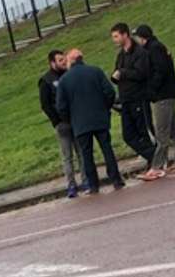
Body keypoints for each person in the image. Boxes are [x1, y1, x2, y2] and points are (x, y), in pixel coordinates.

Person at [55, 48, 122, 195]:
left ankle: (93, 184)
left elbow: (61, 106)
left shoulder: (64, 80)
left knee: (86, 154)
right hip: (99, 118)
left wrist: (71, 118)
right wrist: (105, 108)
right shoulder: (95, 71)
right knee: (107, 149)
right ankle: (116, 179)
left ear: (71, 61)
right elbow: (109, 92)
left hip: (79, 122)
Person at [134, 23, 175, 175]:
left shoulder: (154, 48)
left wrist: (153, 87)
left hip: (163, 95)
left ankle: (157, 166)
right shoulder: (157, 47)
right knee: (173, 128)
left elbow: (161, 69)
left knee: (162, 131)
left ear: (142, 37)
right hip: (168, 93)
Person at [109, 22, 158, 178]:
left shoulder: (140, 53)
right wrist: (115, 77)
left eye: (116, 36)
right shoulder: (120, 55)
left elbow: (141, 73)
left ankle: (155, 161)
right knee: (128, 135)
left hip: (139, 98)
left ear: (125, 35)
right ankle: (154, 157)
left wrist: (122, 73)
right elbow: (116, 72)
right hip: (125, 99)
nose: (114, 40)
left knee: (145, 131)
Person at [39, 49, 84, 198]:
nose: (64, 62)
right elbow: (45, 104)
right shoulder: (46, 80)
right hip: (62, 123)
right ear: (52, 63)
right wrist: (56, 120)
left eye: (64, 59)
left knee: (81, 152)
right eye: (60, 60)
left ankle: (86, 180)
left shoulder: (68, 75)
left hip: (75, 119)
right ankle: (71, 184)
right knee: (67, 156)